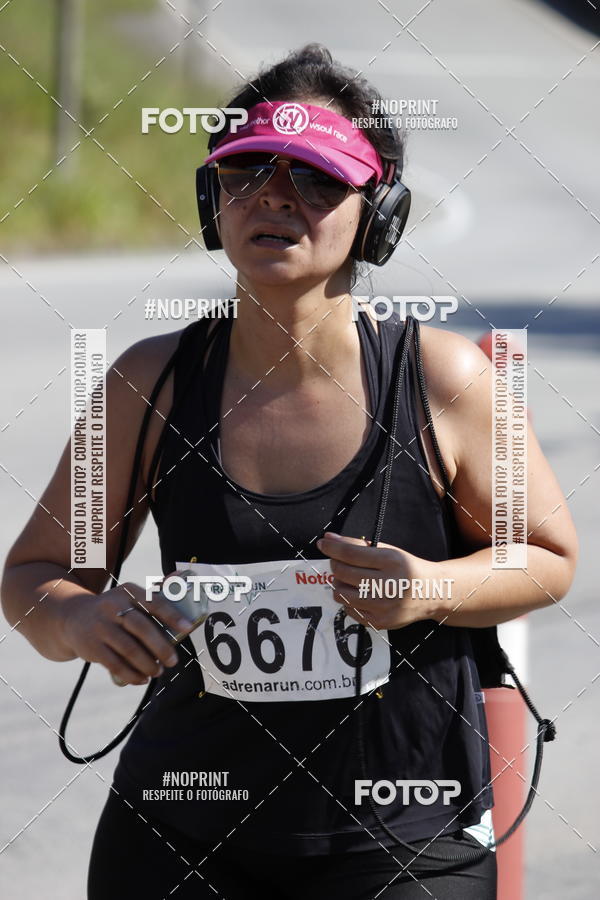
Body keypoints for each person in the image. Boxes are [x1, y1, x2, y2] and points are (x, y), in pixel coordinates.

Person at [1, 44, 578, 900]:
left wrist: (429, 589)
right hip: (182, 828)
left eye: (314, 178)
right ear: (213, 199)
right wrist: (82, 619)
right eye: (247, 172)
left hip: (403, 837)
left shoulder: (444, 379)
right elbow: (36, 577)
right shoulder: (148, 386)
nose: (274, 196)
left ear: (379, 215)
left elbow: (547, 558)